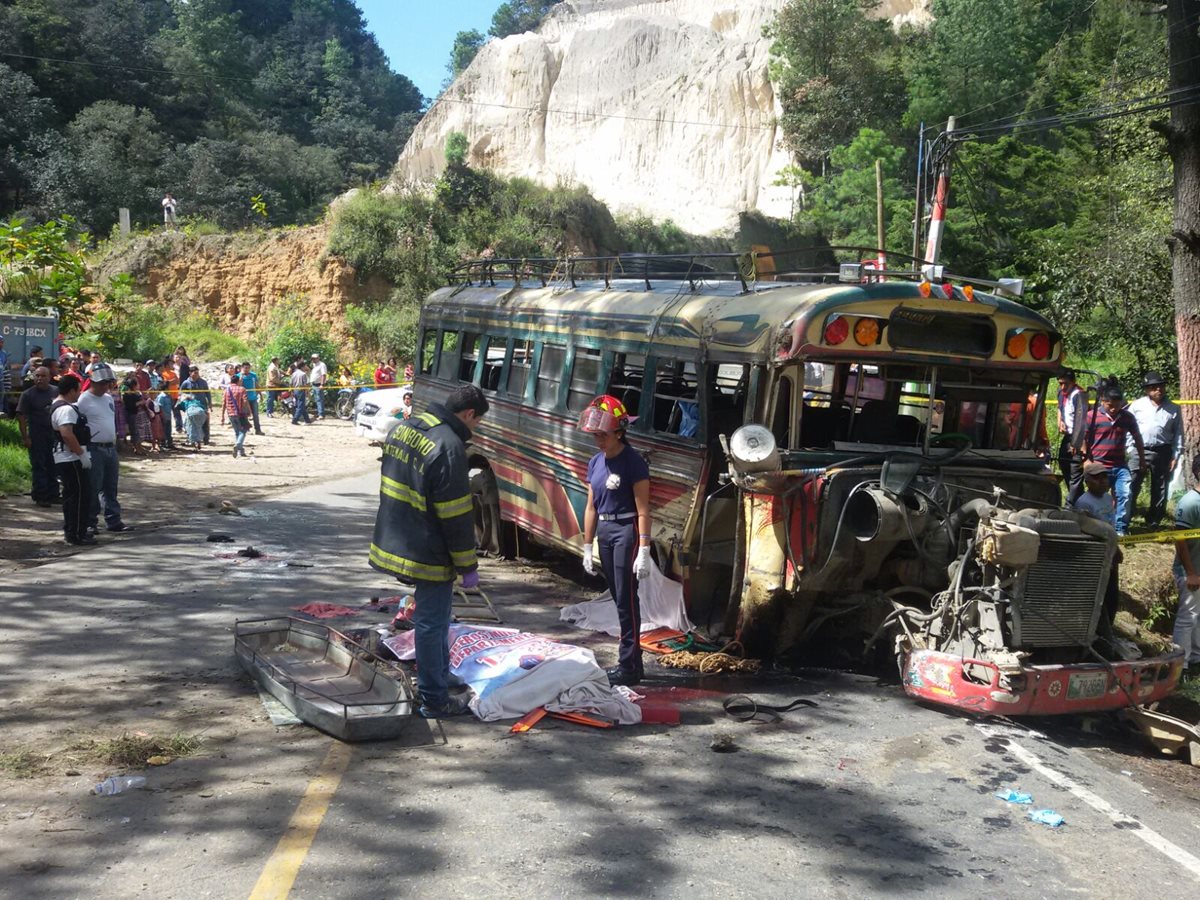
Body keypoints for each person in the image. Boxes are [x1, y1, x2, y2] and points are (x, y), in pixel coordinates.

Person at [369, 383, 489, 718]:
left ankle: (439, 674)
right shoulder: (449, 447)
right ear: (468, 414)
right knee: (432, 622)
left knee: (435, 619)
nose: (475, 428)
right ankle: (434, 699)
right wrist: (467, 565)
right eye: (477, 422)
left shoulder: (406, 429)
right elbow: (454, 515)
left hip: (399, 535)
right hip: (428, 547)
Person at [578, 394, 654, 686]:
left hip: (626, 531)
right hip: (605, 532)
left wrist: (644, 548)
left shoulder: (633, 463)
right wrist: (586, 546)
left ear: (619, 433)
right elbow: (591, 507)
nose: (598, 440)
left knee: (625, 600)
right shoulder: (595, 462)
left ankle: (628, 664)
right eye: (595, 435)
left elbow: (644, 509)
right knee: (617, 597)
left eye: (603, 435)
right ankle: (634, 664)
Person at [1082, 384, 1145, 536]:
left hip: (1119, 464)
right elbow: (1082, 437)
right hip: (1098, 464)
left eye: (1117, 406)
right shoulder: (1092, 416)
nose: (1113, 409)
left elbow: (1137, 437)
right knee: (1098, 496)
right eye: (1110, 405)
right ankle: (1098, 526)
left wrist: (1142, 459)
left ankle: (1120, 529)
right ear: (1103, 402)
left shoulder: (1127, 417)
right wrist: (1086, 459)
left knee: (1124, 494)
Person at [76, 364, 128, 534]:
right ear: (92, 381)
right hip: (94, 448)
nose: (105, 385)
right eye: (102, 382)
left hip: (110, 448)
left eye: (107, 382)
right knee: (93, 486)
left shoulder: (107, 398)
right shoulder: (84, 399)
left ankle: (113, 520)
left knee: (111, 486)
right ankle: (90, 522)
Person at [1128, 371, 1183, 528]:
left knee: (1160, 486)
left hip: (1163, 450)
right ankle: (1127, 515)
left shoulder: (1173, 408)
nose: (1158, 390)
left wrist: (1175, 454)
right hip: (1139, 450)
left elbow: (1178, 434)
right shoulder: (1137, 405)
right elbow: (1126, 426)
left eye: (1160, 386)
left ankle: (1154, 520)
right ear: (1147, 390)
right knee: (1132, 483)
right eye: (1153, 387)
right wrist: (1129, 447)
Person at [52, 374, 94, 545]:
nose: (79, 393)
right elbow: (67, 434)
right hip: (70, 458)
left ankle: (75, 530)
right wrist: (81, 454)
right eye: (78, 389)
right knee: (79, 496)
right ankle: (76, 533)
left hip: (68, 456)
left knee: (74, 495)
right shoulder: (65, 409)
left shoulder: (61, 405)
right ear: (72, 390)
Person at [16, 366, 61, 506]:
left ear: (49, 377)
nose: (40, 379)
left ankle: (53, 494)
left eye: (43, 376)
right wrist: (25, 437)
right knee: (39, 465)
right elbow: (21, 417)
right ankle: (40, 495)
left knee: (53, 465)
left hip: (53, 434)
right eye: (37, 376)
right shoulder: (28, 395)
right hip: (36, 434)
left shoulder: (55, 391)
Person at [1172, 455, 1200, 672]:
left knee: (1197, 618)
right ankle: (1180, 666)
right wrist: (1190, 572)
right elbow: (1179, 538)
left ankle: (1196, 659)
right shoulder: (1190, 502)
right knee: (1187, 617)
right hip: (1190, 571)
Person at [1056, 370, 1087, 498]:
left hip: (1078, 437)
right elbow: (1059, 407)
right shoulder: (1061, 393)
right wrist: (1060, 420)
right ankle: (1076, 496)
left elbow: (1081, 420)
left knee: (1075, 469)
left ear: (1073, 382)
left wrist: (1077, 442)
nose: (1063, 387)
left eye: (1066, 384)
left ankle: (1074, 501)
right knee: (1063, 463)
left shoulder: (1080, 395)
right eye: (1061, 383)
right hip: (1067, 435)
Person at [1072, 461, 1116, 527]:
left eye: (1104, 477)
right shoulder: (1084, 503)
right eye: (1096, 478)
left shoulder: (1108, 497)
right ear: (1087, 482)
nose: (1102, 481)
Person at [224, 373, 251, 457]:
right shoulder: (242, 389)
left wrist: (222, 416)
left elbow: (223, 403)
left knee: (237, 432)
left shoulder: (227, 390)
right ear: (238, 381)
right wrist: (248, 410)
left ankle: (240, 451)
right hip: (240, 413)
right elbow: (245, 401)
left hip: (230, 414)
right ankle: (238, 444)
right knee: (244, 429)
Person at [240, 361, 263, 434]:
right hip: (244, 399)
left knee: (255, 415)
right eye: (245, 368)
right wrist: (241, 376)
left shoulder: (253, 375)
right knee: (245, 415)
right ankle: (247, 429)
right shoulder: (238, 376)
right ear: (242, 368)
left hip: (253, 398)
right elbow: (238, 385)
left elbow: (256, 385)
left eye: (248, 368)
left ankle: (258, 430)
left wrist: (260, 394)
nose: (247, 369)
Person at [309, 352, 328, 418]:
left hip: (318, 384)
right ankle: (319, 412)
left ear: (318, 358)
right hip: (314, 384)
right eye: (312, 359)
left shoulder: (322, 365)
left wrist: (322, 384)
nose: (313, 360)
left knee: (319, 399)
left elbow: (323, 375)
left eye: (314, 358)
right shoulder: (315, 365)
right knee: (317, 399)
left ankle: (321, 414)